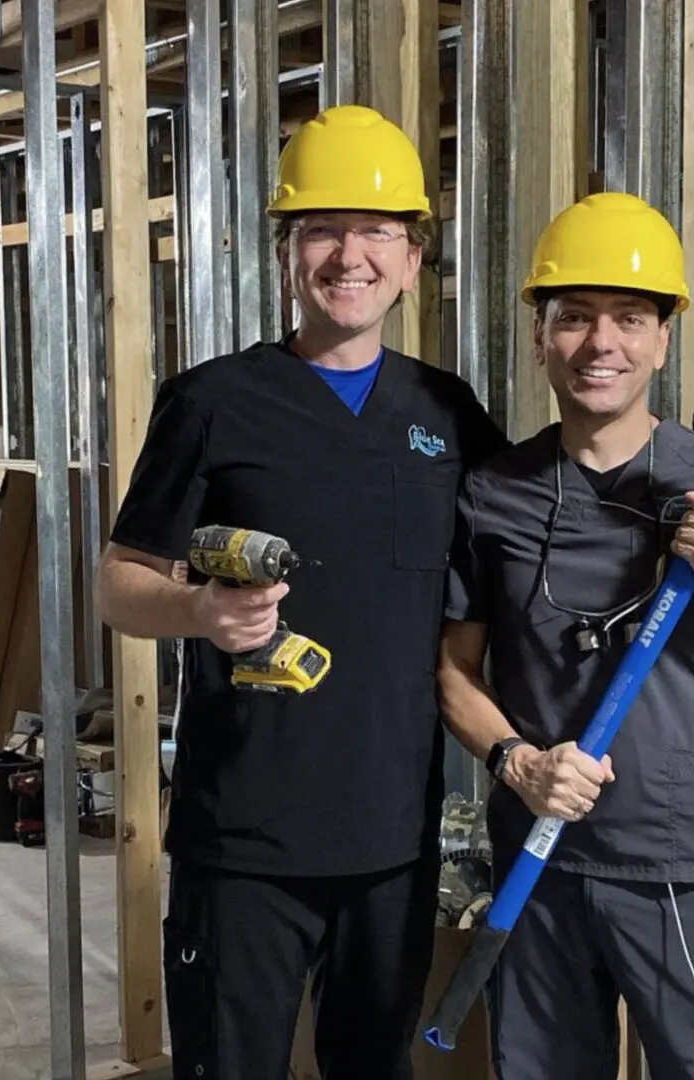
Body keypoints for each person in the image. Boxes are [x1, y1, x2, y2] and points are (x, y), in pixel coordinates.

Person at [93, 104, 509, 1080]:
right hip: (242, 842)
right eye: (322, 228)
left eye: (377, 232)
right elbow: (120, 584)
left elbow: (549, 513)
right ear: (287, 254)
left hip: (390, 841)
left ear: (412, 261)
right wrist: (196, 611)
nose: (349, 254)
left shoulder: (447, 413)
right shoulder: (212, 400)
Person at [437, 192, 694, 1080]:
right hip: (541, 864)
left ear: (664, 340)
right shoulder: (494, 491)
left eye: (630, 319)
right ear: (541, 334)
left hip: (691, 866)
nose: (601, 345)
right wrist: (517, 761)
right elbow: (454, 675)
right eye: (575, 318)